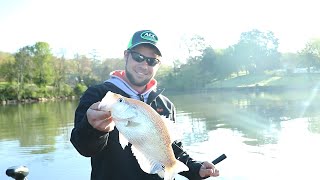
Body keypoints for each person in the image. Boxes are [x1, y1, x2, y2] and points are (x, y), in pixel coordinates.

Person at [70, 30, 220, 180]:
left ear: (158, 65)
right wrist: (94, 130)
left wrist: (195, 168)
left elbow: (173, 150)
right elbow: (84, 148)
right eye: (138, 57)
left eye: (152, 61)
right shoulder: (99, 95)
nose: (144, 65)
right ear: (126, 55)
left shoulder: (165, 104)